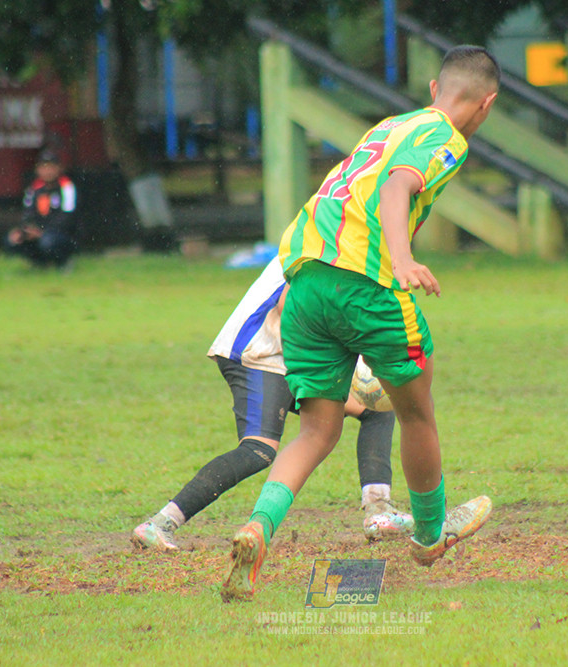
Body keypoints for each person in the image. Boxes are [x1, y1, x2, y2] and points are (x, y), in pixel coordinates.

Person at [221, 46, 501, 602]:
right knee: (417, 413)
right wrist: (401, 258)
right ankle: (428, 536)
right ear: (486, 105)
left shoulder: (391, 124)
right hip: (366, 284)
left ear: (432, 88)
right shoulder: (447, 137)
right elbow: (399, 187)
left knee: (316, 431)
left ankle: (258, 527)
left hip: (305, 283)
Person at [131, 257, 413, 552]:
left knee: (375, 411)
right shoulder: (332, 237)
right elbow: (289, 302)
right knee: (258, 449)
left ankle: (378, 511)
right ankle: (160, 524)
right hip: (260, 351)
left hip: (293, 354)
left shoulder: (348, 235)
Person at [5, 149, 78, 269]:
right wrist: (25, 230)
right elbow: (27, 214)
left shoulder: (66, 187)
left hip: (60, 233)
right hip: (38, 232)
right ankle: (40, 263)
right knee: (12, 240)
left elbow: (67, 218)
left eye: (51, 167)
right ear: (37, 169)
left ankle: (63, 262)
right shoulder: (34, 189)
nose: (47, 171)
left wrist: (42, 232)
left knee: (48, 241)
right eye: (44, 167)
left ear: (59, 168)